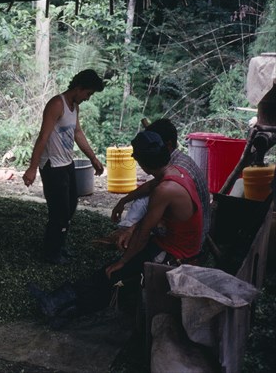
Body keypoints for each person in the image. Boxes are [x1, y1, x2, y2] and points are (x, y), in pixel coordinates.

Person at [28, 131, 203, 328]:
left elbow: (143, 233)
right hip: (169, 243)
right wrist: (124, 200)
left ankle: (67, 311)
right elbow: (149, 188)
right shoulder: (175, 172)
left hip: (176, 255)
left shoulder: (165, 190)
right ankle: (59, 302)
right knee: (108, 271)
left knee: (113, 274)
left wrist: (124, 261)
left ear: (143, 163)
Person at [22, 69, 105, 264]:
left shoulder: (74, 106)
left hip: (67, 163)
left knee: (71, 206)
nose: (88, 98)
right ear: (78, 88)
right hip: (52, 166)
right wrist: (32, 168)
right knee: (59, 211)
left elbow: (77, 133)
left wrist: (93, 158)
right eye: (88, 93)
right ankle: (51, 253)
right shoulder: (56, 104)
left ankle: (59, 245)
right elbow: (43, 137)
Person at [97, 118, 211, 250]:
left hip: (187, 242)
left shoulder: (176, 171)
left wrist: (124, 260)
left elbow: (153, 207)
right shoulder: (173, 163)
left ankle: (125, 234)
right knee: (144, 196)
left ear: (167, 145)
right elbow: (151, 185)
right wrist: (124, 200)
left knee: (149, 200)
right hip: (186, 228)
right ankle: (124, 231)